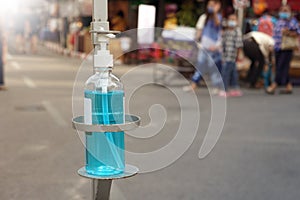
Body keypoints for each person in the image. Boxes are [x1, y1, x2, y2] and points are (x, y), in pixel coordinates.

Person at [184, 0, 222, 92]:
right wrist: (196, 42)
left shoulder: (219, 17)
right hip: (203, 47)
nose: (211, 7)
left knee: (213, 67)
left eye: (213, 5)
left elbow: (219, 27)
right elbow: (199, 31)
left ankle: (217, 86)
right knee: (200, 66)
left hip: (214, 48)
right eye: (210, 5)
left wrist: (215, 13)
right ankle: (193, 84)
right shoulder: (204, 17)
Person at [266, 5, 300, 94]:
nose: (283, 13)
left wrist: (288, 32)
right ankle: (288, 86)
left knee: (281, 67)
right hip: (278, 47)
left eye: (286, 11)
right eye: (282, 10)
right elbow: (275, 35)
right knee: (280, 66)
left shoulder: (292, 21)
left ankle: (274, 84)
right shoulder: (278, 21)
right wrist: (272, 45)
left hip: (287, 47)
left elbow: (297, 33)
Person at [219, 13, 243, 97]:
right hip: (226, 56)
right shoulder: (226, 32)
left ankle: (224, 89)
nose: (232, 21)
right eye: (230, 19)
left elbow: (239, 45)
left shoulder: (237, 31)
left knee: (225, 73)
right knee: (233, 73)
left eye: (234, 20)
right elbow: (223, 44)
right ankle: (235, 89)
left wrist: (239, 56)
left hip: (232, 56)